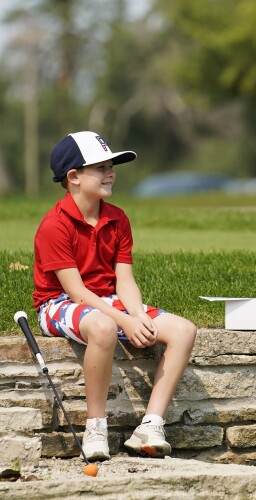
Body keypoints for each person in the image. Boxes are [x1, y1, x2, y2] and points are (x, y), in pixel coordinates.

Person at [33, 131, 197, 462]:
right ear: (74, 177)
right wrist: (122, 319)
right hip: (57, 303)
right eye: (102, 167)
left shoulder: (118, 218)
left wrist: (137, 315)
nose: (111, 173)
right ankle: (96, 426)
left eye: (112, 166)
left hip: (106, 300)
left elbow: (125, 280)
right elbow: (75, 291)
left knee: (183, 330)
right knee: (105, 327)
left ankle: (150, 426)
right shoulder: (54, 225)